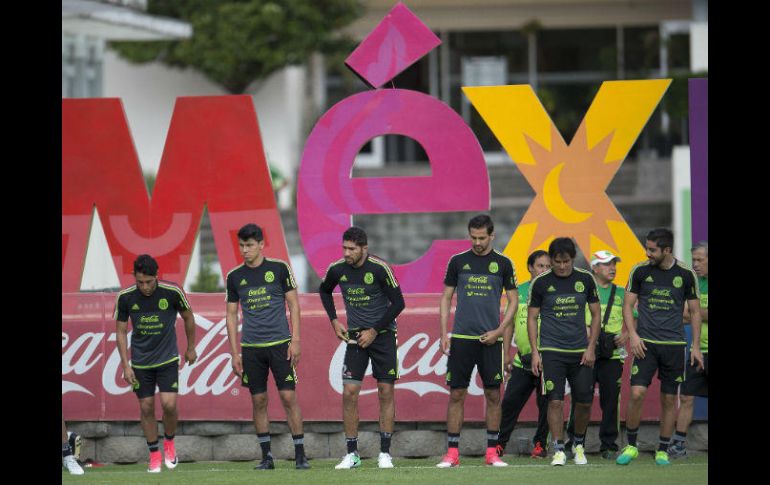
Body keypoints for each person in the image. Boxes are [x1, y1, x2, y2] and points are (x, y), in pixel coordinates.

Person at [319, 226, 406, 469]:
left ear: (364, 249)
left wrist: (375, 330)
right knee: (349, 393)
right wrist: (334, 320)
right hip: (356, 339)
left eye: (351, 249)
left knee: (385, 392)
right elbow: (324, 291)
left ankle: (385, 453)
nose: (346, 253)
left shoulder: (379, 269)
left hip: (384, 335)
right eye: (344, 248)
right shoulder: (337, 269)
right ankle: (352, 454)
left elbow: (399, 303)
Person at [225, 223, 309, 470]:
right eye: (241, 245)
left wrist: (296, 340)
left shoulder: (279, 268)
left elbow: (294, 305)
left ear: (261, 244)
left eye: (249, 245)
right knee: (258, 400)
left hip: (281, 344)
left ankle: (301, 454)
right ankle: (267, 457)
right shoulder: (234, 276)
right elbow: (231, 315)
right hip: (251, 348)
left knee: (288, 396)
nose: (245, 250)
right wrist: (234, 353)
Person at [616, 228, 703, 466]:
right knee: (637, 393)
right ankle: (631, 445)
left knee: (668, 399)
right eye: (647, 248)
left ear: (667, 250)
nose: (648, 253)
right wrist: (633, 335)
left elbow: (695, 312)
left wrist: (695, 346)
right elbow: (627, 305)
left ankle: (663, 449)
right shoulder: (640, 271)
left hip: (674, 345)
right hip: (646, 344)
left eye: (652, 250)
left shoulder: (685, 274)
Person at [436, 215, 518, 468]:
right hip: (461, 339)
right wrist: (443, 333)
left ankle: (492, 453)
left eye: (482, 238)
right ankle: (452, 454)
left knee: (493, 394)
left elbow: (514, 302)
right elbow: (446, 298)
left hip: (490, 339)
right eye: (473, 237)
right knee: (456, 394)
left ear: (492, 236)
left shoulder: (503, 263)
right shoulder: (458, 261)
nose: (478, 242)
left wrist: (499, 331)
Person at [114, 254, 197, 473]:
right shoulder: (125, 297)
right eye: (140, 282)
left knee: (169, 405)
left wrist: (190, 347)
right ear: (135, 277)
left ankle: (169, 443)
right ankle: (154, 454)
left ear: (156, 276)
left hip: (168, 358)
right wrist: (125, 365)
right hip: (140, 363)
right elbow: (121, 331)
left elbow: (189, 317)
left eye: (149, 282)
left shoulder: (172, 292)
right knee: (146, 407)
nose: (145, 287)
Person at [528, 237, 601, 466]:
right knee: (555, 401)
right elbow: (532, 317)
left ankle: (578, 445)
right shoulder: (540, 283)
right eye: (557, 262)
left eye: (566, 261)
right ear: (551, 260)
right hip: (551, 351)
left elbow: (596, 314)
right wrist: (535, 352)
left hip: (581, 351)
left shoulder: (586, 279)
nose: (562, 266)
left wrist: (591, 347)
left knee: (584, 402)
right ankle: (558, 449)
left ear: (573, 259)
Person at [565, 250, 627, 459]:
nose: (612, 268)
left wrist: (626, 335)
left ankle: (609, 445)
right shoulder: (584, 289)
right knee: (581, 397)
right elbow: (578, 320)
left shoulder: (621, 292)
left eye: (613, 264)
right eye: (607, 264)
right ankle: (573, 440)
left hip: (613, 355)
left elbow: (633, 317)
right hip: (587, 352)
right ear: (594, 268)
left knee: (611, 401)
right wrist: (588, 342)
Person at [497, 250, 551, 459]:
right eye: (540, 266)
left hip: (548, 359)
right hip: (522, 359)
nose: (545, 270)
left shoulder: (554, 291)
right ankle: (498, 444)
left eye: (548, 266)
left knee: (547, 405)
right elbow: (509, 323)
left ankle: (540, 445)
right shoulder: (517, 292)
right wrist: (506, 353)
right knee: (509, 403)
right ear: (530, 267)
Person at [669, 241, 708, 458]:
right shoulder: (694, 283)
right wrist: (696, 312)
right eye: (693, 260)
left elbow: (690, 313)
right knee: (686, 397)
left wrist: (694, 312)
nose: (695, 264)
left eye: (700, 260)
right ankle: (679, 444)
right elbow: (683, 314)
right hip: (697, 350)